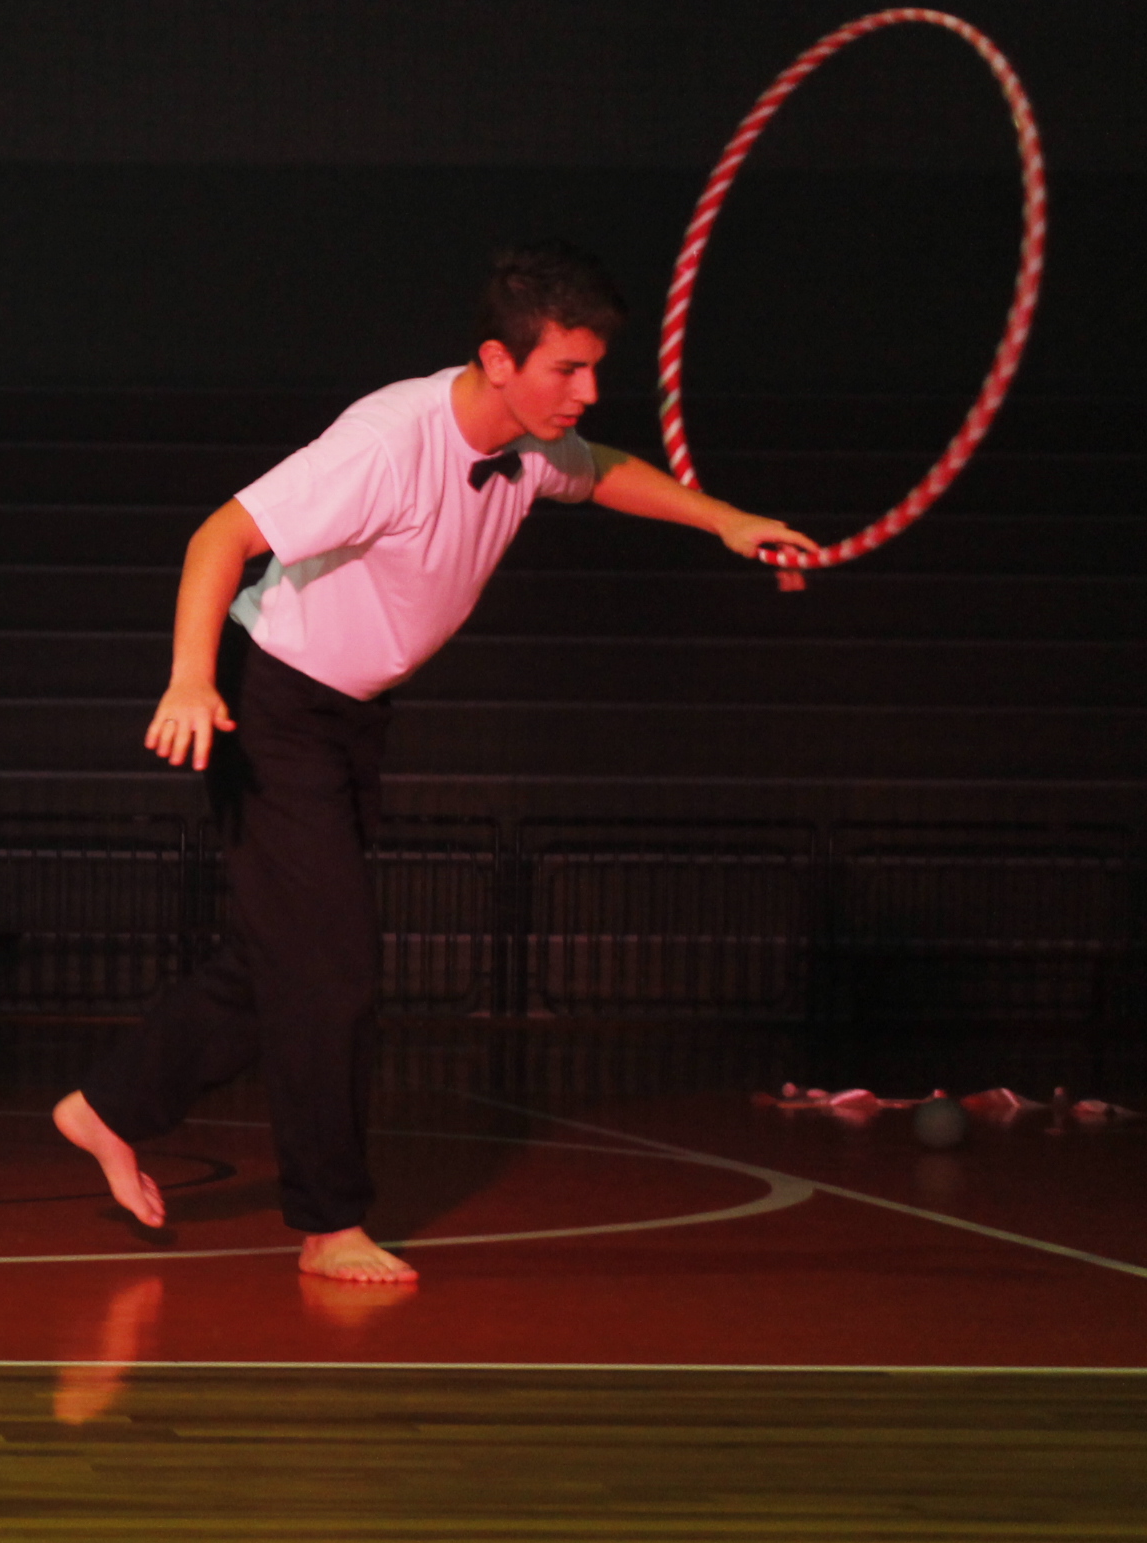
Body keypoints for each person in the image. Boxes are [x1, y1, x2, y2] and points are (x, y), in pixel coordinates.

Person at [54, 243, 817, 1283]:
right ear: (497, 360)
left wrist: (724, 519)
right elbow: (218, 536)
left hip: (351, 716)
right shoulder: (387, 442)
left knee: (285, 954)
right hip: (265, 700)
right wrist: (191, 679)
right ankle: (329, 1226)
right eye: (566, 370)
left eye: (597, 369)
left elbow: (601, 475)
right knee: (334, 973)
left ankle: (106, 1106)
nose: (587, 392)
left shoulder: (538, 441)